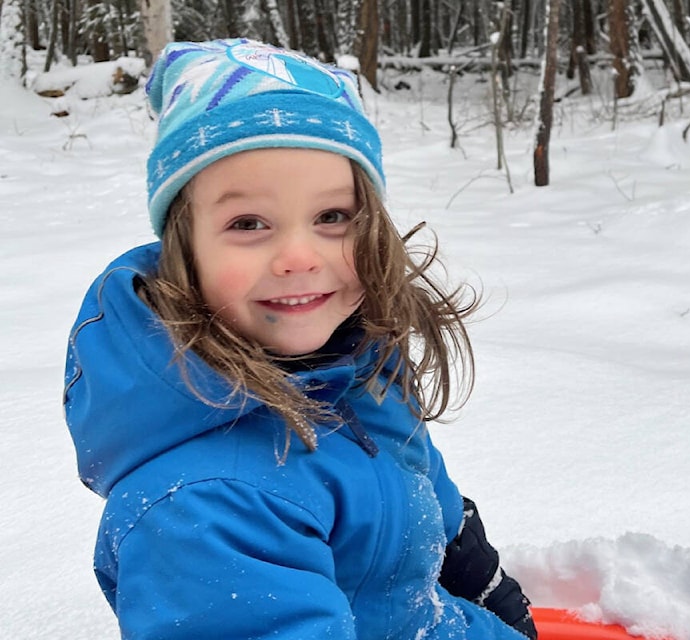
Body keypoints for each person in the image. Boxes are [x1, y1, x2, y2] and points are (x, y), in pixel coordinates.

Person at [63, 38, 537, 640]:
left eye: (332, 217)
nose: (297, 256)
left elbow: (408, 471)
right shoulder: (206, 508)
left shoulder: (355, 363)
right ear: (185, 253)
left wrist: (466, 555)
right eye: (248, 223)